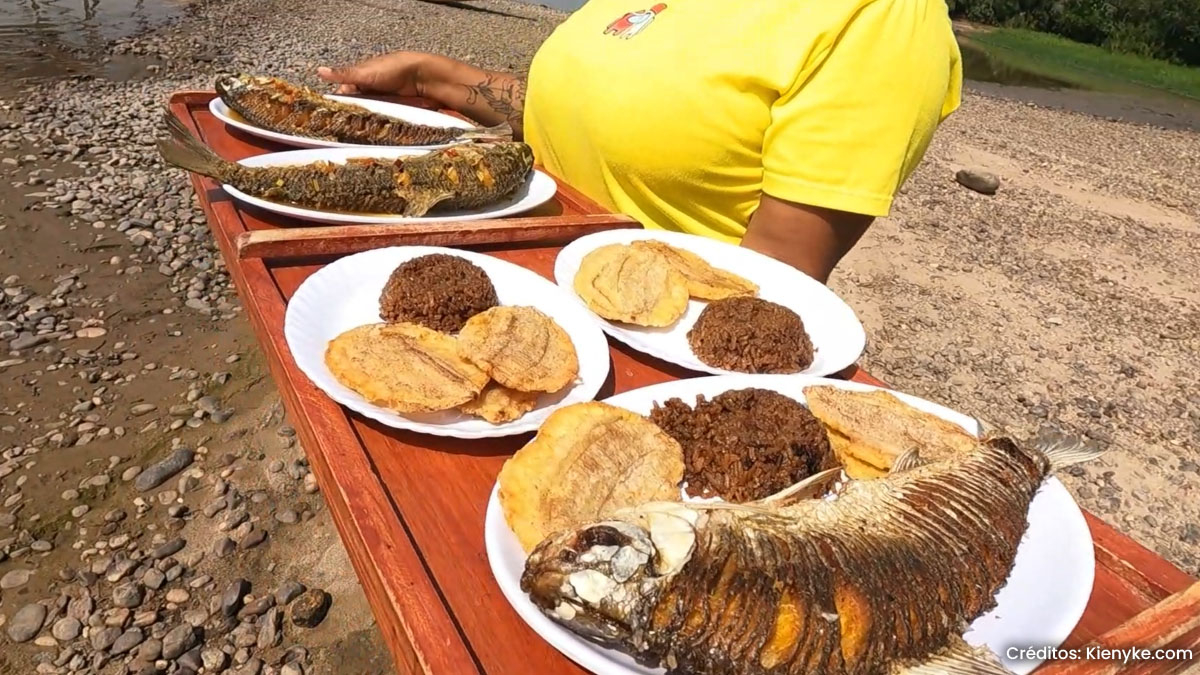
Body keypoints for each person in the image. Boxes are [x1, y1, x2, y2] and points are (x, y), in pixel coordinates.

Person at [317, 0, 962, 283]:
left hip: (635, 338)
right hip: (508, 259)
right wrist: (431, 74)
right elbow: (590, 113)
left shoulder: (881, 15)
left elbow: (777, 283)